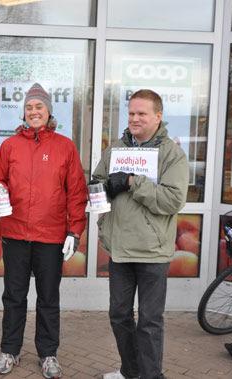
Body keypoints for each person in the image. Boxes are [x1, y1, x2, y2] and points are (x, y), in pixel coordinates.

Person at [0, 83, 88, 378]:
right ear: (24, 112)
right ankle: (9, 350)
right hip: (15, 233)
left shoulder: (64, 146)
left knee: (48, 298)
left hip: (51, 236)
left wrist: (74, 231)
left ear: (49, 111)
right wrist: (0, 191)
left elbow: (76, 194)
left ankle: (48, 354)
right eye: (29, 107)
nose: (34, 111)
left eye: (39, 107)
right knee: (14, 296)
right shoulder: (9, 146)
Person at [92, 89, 189, 379]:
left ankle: (150, 375)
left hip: (152, 251)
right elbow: (97, 183)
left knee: (149, 321)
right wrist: (101, 188)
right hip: (120, 249)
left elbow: (173, 200)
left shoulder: (172, 153)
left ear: (158, 116)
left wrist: (133, 182)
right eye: (131, 113)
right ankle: (130, 371)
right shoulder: (116, 150)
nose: (134, 118)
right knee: (119, 316)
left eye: (141, 113)